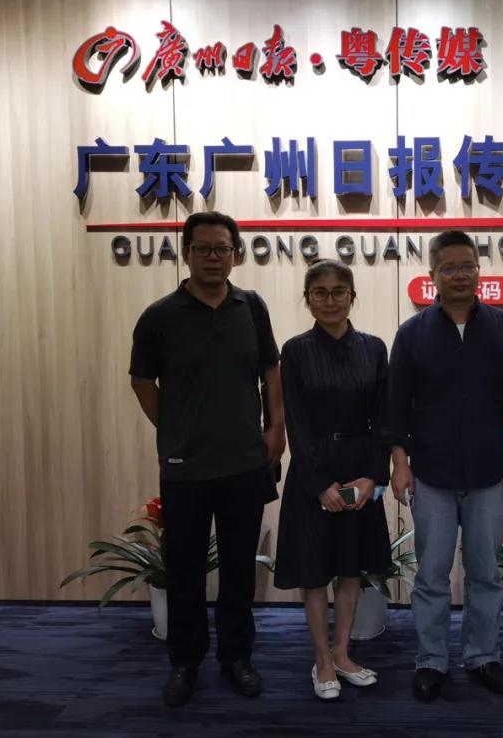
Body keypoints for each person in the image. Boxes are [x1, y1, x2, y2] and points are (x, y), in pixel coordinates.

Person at [129, 211, 285, 707]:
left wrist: (276, 427)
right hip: (186, 468)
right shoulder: (160, 316)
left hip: (244, 462)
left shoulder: (251, 307)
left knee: (239, 569)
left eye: (222, 248)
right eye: (203, 249)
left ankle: (236, 657)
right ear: (187, 253)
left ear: (235, 254)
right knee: (185, 571)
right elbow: (141, 381)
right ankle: (185, 662)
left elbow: (271, 370)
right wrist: (174, 428)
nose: (213, 257)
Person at [385, 230, 503, 702]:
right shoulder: (412, 333)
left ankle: (483, 655)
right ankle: (431, 659)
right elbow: (396, 406)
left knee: (486, 573)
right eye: (449, 268)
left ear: (479, 270)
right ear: (433, 274)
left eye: (467, 266)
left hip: (489, 472)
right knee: (431, 574)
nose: (459, 275)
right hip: (430, 472)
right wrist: (399, 463)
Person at [274, 259, 392, 701]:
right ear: (308, 300)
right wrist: (320, 483)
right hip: (314, 469)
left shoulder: (374, 348)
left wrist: (373, 477)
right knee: (314, 571)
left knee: (349, 567)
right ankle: (321, 658)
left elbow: (384, 417)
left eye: (338, 291)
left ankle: (342, 654)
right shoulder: (296, 350)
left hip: (360, 468)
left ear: (352, 297)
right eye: (319, 293)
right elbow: (296, 423)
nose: (329, 300)